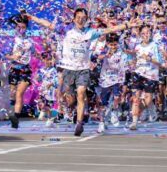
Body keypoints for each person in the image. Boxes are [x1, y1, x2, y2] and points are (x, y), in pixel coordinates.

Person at [32, 8, 134, 136]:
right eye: (78, 17)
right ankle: (67, 110)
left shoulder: (90, 32)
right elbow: (46, 24)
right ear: (74, 19)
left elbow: (109, 30)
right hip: (68, 69)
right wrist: (31, 17)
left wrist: (126, 25)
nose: (81, 20)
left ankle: (79, 124)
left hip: (83, 70)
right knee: (69, 99)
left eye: (83, 18)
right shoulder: (66, 31)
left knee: (81, 94)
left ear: (86, 20)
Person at [129, 24, 164, 131]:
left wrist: (149, 59)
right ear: (140, 35)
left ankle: (149, 108)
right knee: (136, 97)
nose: (146, 35)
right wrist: (132, 62)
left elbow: (160, 62)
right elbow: (133, 59)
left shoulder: (155, 45)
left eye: (148, 32)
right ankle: (134, 121)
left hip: (151, 75)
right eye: (143, 33)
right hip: (138, 73)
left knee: (148, 100)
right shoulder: (137, 46)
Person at [5, 13, 35, 129]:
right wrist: (12, 57)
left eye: (23, 27)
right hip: (14, 68)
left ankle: (16, 117)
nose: (21, 30)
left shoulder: (30, 41)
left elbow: (34, 53)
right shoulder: (12, 40)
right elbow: (5, 54)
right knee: (12, 94)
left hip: (25, 69)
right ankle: (12, 112)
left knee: (19, 93)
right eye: (19, 27)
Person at [96, 33, 126, 134]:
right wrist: (105, 55)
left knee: (117, 97)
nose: (113, 46)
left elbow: (122, 66)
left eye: (115, 44)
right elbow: (97, 56)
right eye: (111, 44)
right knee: (103, 104)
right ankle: (102, 122)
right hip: (105, 80)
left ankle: (114, 111)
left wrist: (122, 80)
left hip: (116, 79)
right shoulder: (104, 50)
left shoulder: (120, 52)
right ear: (107, 44)